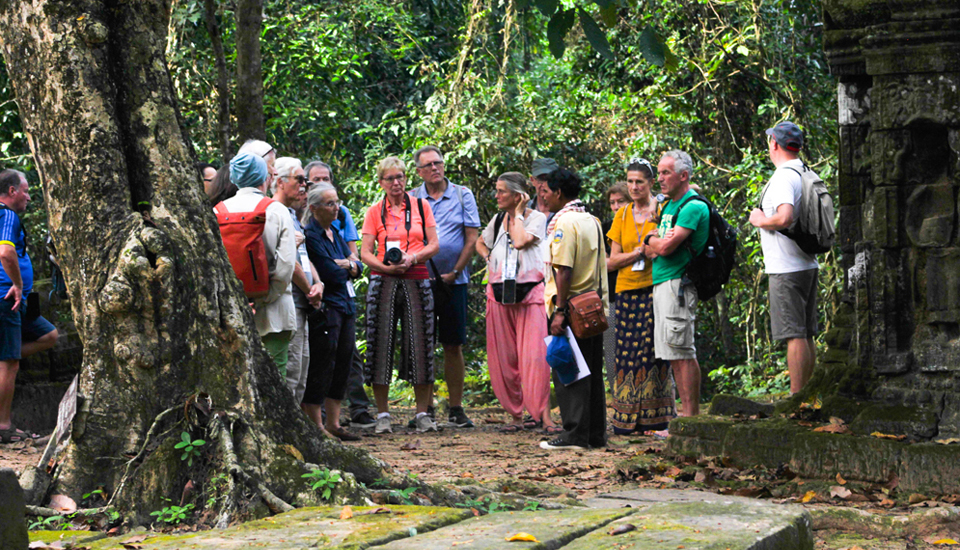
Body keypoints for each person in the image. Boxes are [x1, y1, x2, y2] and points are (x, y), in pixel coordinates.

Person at [360, 156, 440, 434]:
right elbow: (365, 252)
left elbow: (434, 245)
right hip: (384, 281)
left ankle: (422, 413)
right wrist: (385, 267)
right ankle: (382, 414)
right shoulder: (374, 211)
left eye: (401, 177)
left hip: (416, 278)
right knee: (379, 342)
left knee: (421, 343)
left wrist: (412, 258)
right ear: (381, 182)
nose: (397, 183)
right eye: (390, 178)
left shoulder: (421, 206)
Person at [475, 172, 557, 434]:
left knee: (535, 357)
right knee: (504, 357)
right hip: (499, 291)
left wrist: (520, 213)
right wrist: (489, 257)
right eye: (496, 190)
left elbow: (521, 242)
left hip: (530, 292)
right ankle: (516, 415)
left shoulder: (536, 218)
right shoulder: (498, 219)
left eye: (502, 191)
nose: (497, 196)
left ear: (518, 195)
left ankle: (542, 415)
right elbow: (480, 241)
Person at [411, 146, 481, 428]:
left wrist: (455, 271)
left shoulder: (462, 195)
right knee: (422, 345)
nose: (434, 169)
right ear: (419, 171)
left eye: (438, 163)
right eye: (427, 165)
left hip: (455, 282)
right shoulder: (413, 198)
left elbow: (471, 238)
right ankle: (424, 409)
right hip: (418, 281)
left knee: (453, 344)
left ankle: (456, 407)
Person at [539, 168, 608, 450]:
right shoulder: (592, 220)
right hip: (592, 305)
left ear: (558, 193)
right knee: (591, 369)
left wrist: (560, 310)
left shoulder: (565, 223)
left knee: (570, 370)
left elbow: (563, 269)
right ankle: (594, 433)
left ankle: (574, 434)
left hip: (571, 305)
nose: (542, 198)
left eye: (545, 192)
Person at [304, 160, 377, 429]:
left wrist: (347, 264)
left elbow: (357, 266)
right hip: (327, 307)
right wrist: (347, 265)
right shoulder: (310, 234)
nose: (337, 208)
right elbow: (330, 273)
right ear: (314, 208)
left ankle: (335, 424)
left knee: (344, 361)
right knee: (325, 361)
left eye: (337, 202)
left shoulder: (334, 230)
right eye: (330, 204)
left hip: (345, 304)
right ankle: (317, 425)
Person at [606, 159, 676, 435]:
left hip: (654, 287)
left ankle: (655, 418)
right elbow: (611, 262)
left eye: (640, 182)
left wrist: (653, 246)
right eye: (630, 182)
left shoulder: (661, 209)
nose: (634, 187)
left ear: (650, 184)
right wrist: (639, 252)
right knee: (626, 354)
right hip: (626, 290)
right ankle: (625, 418)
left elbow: (665, 246)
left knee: (653, 352)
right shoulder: (621, 215)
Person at [749, 121, 819, 394]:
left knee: (794, 334)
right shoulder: (806, 171)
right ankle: (808, 394)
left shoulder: (782, 177)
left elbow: (785, 216)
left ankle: (797, 397)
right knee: (806, 332)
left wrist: (760, 220)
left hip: (786, 268)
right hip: (807, 262)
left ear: (774, 144)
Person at [642, 150, 709, 418]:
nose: (659, 178)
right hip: (662, 281)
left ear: (683, 175)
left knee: (682, 350)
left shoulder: (693, 206)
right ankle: (684, 417)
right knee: (672, 352)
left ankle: (691, 418)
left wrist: (651, 239)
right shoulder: (669, 205)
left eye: (665, 172)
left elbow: (666, 247)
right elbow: (651, 250)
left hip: (678, 284)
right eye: (659, 172)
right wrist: (654, 241)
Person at [221, 152, 298, 375]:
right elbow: (285, 265)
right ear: (266, 177)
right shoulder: (276, 209)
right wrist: (267, 296)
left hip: (232, 309)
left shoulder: (219, 210)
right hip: (275, 310)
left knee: (238, 375)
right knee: (275, 375)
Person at [0, 169, 59, 443]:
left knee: (49, 335)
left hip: (15, 301)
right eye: (25, 190)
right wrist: (18, 284)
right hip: (7, 298)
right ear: (11, 191)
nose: (28, 196)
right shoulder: (6, 214)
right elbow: (6, 251)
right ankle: (3, 427)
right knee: (9, 363)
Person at [272, 158, 323, 403]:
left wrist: (318, 283)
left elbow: (302, 257)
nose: (305, 186)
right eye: (299, 180)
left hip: (303, 301)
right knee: (290, 371)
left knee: (301, 371)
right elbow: (286, 260)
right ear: (280, 182)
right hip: (289, 300)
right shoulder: (274, 212)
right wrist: (309, 288)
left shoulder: (292, 214)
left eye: (306, 180)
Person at [603, 182, 629, 389]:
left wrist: (616, 260)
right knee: (612, 352)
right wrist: (637, 254)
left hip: (640, 294)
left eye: (621, 201)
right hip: (610, 296)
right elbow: (604, 264)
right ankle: (618, 395)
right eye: (612, 202)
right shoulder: (605, 229)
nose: (616, 206)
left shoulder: (644, 225)